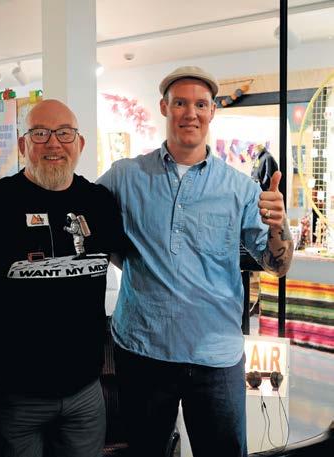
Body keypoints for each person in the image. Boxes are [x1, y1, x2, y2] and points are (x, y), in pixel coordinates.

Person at [97, 66, 294, 457]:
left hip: (216, 357)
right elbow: (91, 228)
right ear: (164, 107)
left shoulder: (239, 188)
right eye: (181, 103)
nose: (191, 113)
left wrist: (279, 225)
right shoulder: (125, 176)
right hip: (143, 350)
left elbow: (277, 265)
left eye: (201, 105)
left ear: (212, 111)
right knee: (145, 451)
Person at [0, 99, 125, 457]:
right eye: (40, 133)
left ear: (80, 144)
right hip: (12, 393)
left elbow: (134, 264)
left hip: (84, 391)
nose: (53, 143)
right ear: (24, 145)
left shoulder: (99, 202)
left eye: (64, 133)